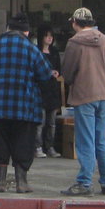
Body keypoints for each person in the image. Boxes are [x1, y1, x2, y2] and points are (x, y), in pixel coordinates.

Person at [0, 12, 54, 193]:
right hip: (25, 106)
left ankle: (0, 181)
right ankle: (21, 182)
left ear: (8, 29)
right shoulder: (32, 50)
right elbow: (45, 75)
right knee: (23, 142)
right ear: (26, 32)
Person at [59, 7, 105, 197]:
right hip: (102, 95)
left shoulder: (74, 43)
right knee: (100, 139)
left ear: (75, 22)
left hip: (84, 96)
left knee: (85, 141)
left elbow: (67, 73)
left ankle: (84, 182)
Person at [35, 25, 63, 158]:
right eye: (47, 35)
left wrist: (57, 72)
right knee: (41, 122)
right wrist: (48, 72)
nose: (49, 38)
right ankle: (37, 146)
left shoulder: (55, 52)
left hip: (52, 90)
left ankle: (50, 146)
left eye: (51, 36)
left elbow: (59, 68)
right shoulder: (37, 52)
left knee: (52, 122)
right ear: (42, 37)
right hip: (41, 90)